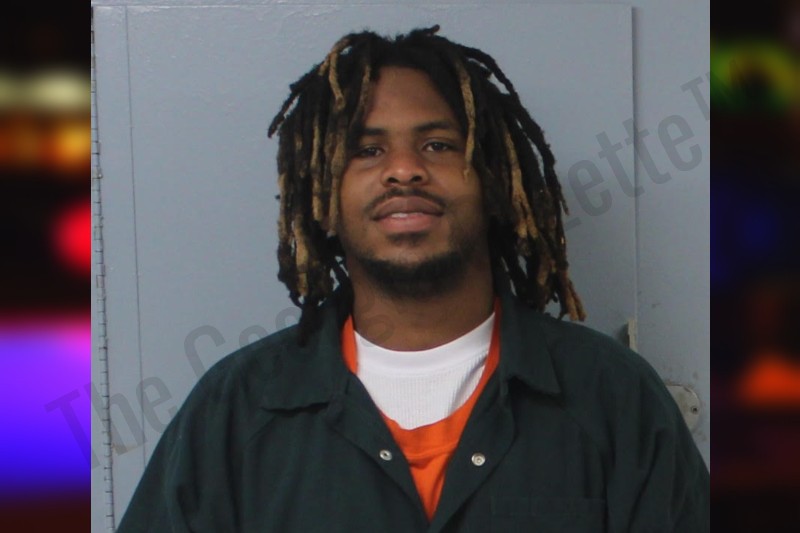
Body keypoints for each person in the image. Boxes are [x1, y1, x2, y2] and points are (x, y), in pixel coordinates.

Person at [117, 26, 709, 532]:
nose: (404, 170)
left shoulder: (612, 397)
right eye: (366, 151)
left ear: (494, 181)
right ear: (322, 195)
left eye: (437, 144)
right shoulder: (238, 409)